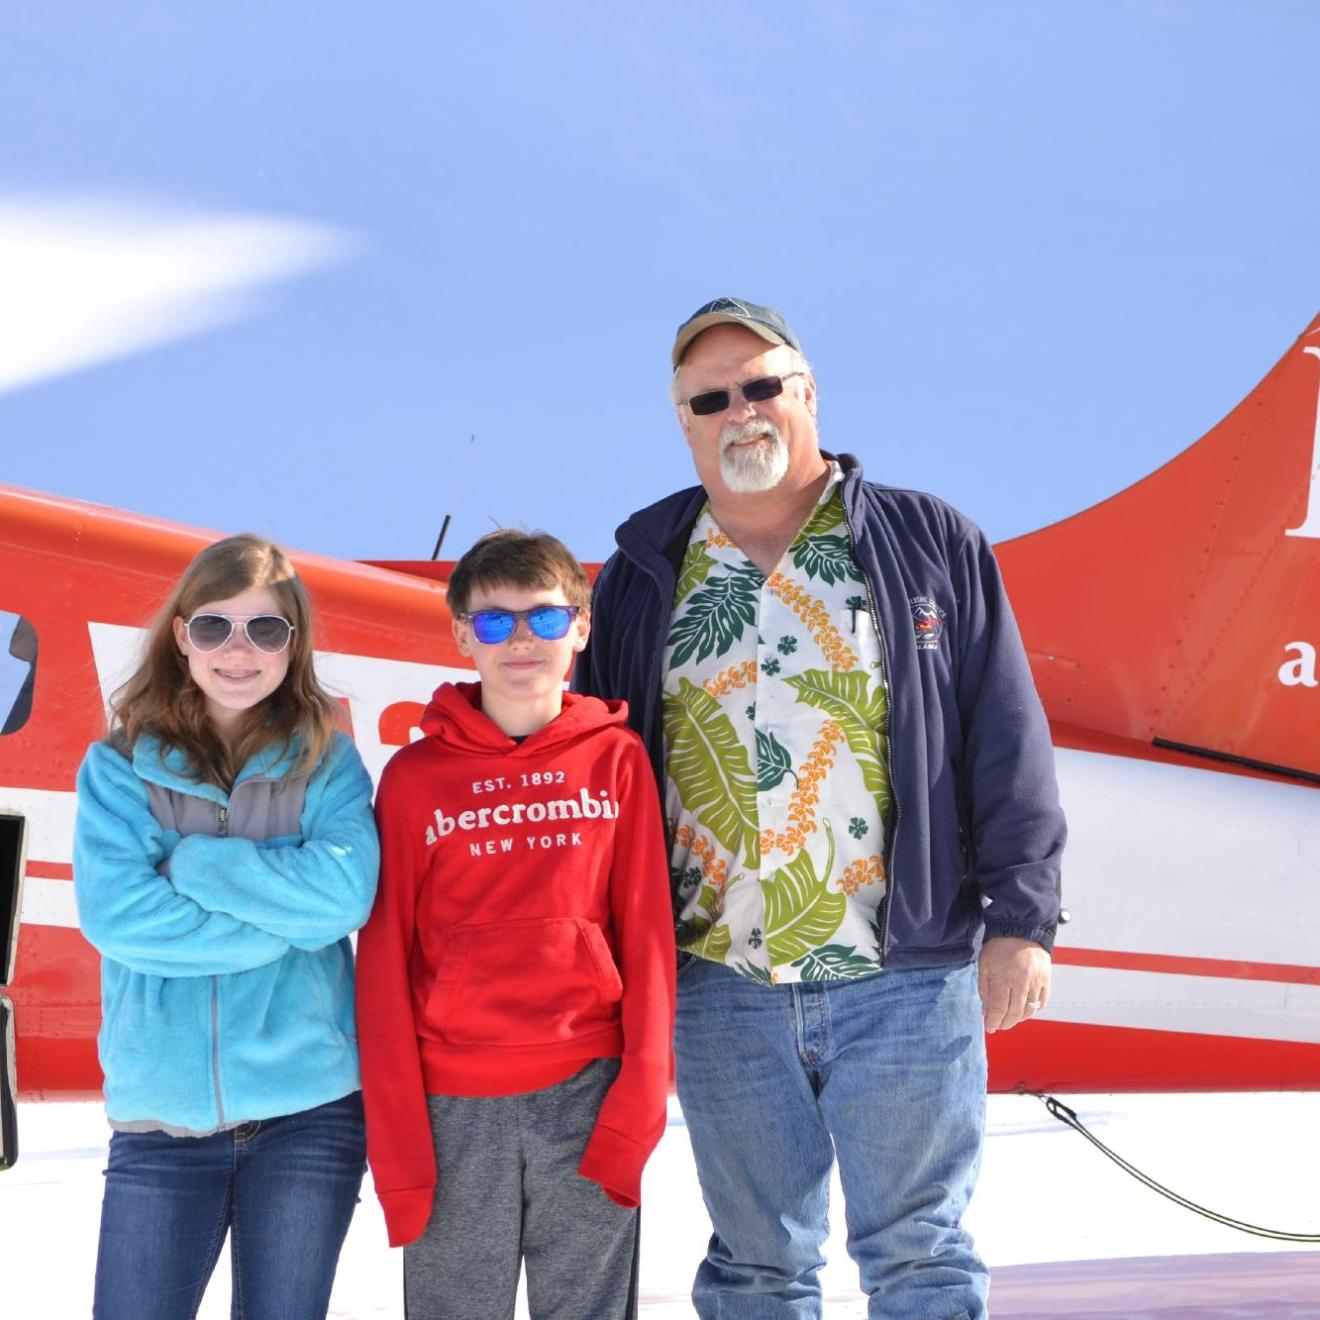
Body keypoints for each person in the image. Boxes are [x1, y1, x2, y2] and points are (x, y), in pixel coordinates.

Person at [573, 297, 1067, 1319]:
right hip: (719, 983)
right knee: (755, 1271)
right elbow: (600, 775)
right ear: (684, 422)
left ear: (808, 393)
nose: (739, 411)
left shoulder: (927, 542)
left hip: (904, 975)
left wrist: (1023, 921)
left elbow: (1005, 738)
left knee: (922, 1258)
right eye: (710, 398)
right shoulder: (641, 576)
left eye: (761, 385)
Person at [356, 530, 676, 1320]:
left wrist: (637, 1109)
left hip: (588, 1091)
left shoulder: (618, 761)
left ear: (582, 627)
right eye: (494, 623)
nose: (520, 640)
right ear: (463, 633)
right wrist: (399, 1148)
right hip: (453, 1104)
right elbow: (385, 962)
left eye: (542, 617)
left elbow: (646, 938)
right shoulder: (413, 778)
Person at [73, 534, 379, 1320]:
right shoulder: (114, 769)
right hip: (159, 1124)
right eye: (214, 627)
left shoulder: (329, 763)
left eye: (265, 630)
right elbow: (120, 918)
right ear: (181, 635)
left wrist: (202, 869)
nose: (237, 651)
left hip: (310, 1116)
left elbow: (342, 901)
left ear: (293, 643)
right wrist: (285, 921)